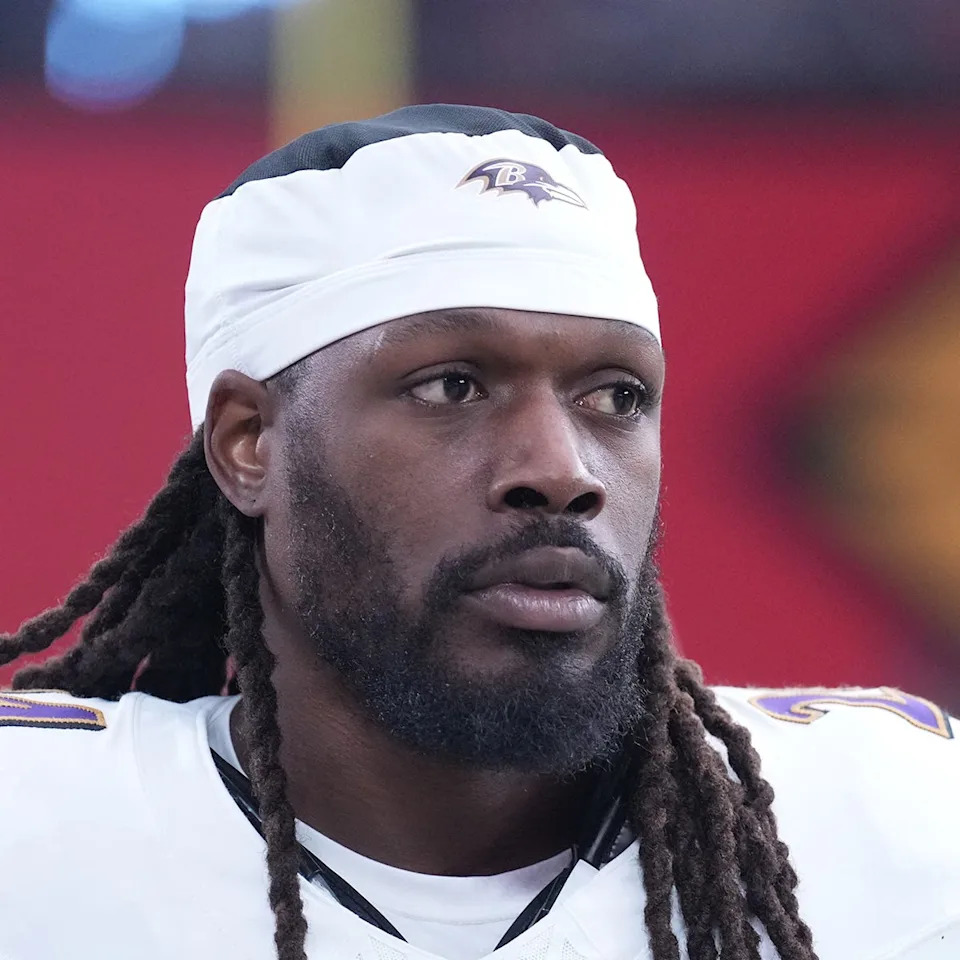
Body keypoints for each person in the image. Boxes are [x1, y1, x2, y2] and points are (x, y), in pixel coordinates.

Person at [0, 105, 957, 960]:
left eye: (615, 396)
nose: (562, 470)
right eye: (452, 385)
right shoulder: (35, 834)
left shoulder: (899, 827)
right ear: (251, 445)